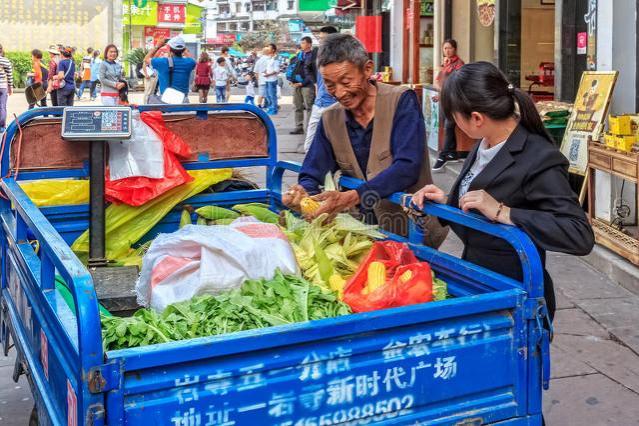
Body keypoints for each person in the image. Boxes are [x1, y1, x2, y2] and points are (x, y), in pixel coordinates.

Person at [412, 62, 594, 321]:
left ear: (476, 118)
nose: (453, 124)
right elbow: (479, 199)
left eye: (454, 118)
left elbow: (578, 234)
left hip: (517, 297)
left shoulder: (539, 157)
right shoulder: (485, 142)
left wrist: (503, 211)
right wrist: (445, 201)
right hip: (478, 283)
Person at [283, 34, 447, 248]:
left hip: (409, 229)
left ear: (367, 69)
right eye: (330, 85)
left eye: (346, 82)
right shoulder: (330, 118)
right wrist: (304, 192)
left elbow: (407, 166)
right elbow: (312, 170)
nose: (340, 93)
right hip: (359, 233)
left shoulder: (401, 100)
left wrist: (352, 196)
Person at [303, 25, 339, 152]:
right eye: (320, 38)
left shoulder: (341, 56)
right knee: (308, 146)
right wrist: (315, 84)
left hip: (334, 105)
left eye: (324, 39)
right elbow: (310, 70)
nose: (320, 41)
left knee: (334, 144)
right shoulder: (318, 53)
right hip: (319, 103)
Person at [432, 39, 465, 172]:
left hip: (454, 99)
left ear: (455, 49)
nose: (447, 51)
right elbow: (438, 81)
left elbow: (457, 84)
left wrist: (442, 94)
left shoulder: (459, 64)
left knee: (449, 125)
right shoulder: (445, 64)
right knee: (447, 126)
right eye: (445, 48)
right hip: (445, 98)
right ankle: (452, 153)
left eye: (450, 48)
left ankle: (443, 155)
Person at [144, 36, 196, 103]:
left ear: (169, 49)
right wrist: (183, 48)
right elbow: (192, 60)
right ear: (183, 49)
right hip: (183, 101)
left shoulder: (163, 62)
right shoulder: (189, 62)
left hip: (166, 102)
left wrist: (157, 46)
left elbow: (146, 59)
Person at [290, 37, 316, 135]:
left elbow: (313, 72)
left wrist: (303, 83)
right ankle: (299, 126)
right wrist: (292, 80)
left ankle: (309, 127)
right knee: (297, 106)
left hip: (308, 85)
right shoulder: (299, 55)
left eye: (304, 43)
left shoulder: (313, 56)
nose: (302, 45)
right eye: (301, 43)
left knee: (309, 106)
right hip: (297, 84)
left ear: (309, 44)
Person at [262, 44, 279, 115]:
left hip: (272, 80)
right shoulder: (268, 58)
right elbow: (268, 68)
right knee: (267, 95)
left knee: (272, 95)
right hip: (267, 79)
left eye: (269, 48)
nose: (267, 49)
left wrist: (268, 74)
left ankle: (274, 109)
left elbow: (277, 70)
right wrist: (265, 72)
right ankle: (270, 108)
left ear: (273, 50)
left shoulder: (275, 59)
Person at [0, 44, 13, 131]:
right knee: (2, 106)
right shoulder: (5, 61)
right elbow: (9, 75)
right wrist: (10, 87)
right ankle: (1, 126)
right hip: (3, 86)